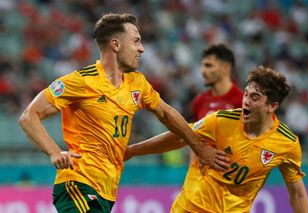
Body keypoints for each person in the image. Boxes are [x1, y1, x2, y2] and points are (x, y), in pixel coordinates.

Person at [18, 13, 229, 213]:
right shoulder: (81, 81)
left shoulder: (137, 83)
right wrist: (54, 151)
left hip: (107, 191)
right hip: (78, 184)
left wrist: (200, 148)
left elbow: (166, 114)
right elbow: (29, 116)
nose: (142, 48)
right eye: (136, 41)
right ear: (116, 44)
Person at [125, 66, 308, 213]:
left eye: (255, 97)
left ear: (272, 106)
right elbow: (181, 136)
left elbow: (297, 193)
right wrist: (133, 150)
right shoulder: (221, 121)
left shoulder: (286, 143)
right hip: (191, 208)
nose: (246, 101)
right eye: (246, 93)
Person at [191, 43, 243, 121]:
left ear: (226, 68)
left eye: (208, 65)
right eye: (203, 66)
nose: (203, 71)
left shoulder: (243, 102)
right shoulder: (199, 101)